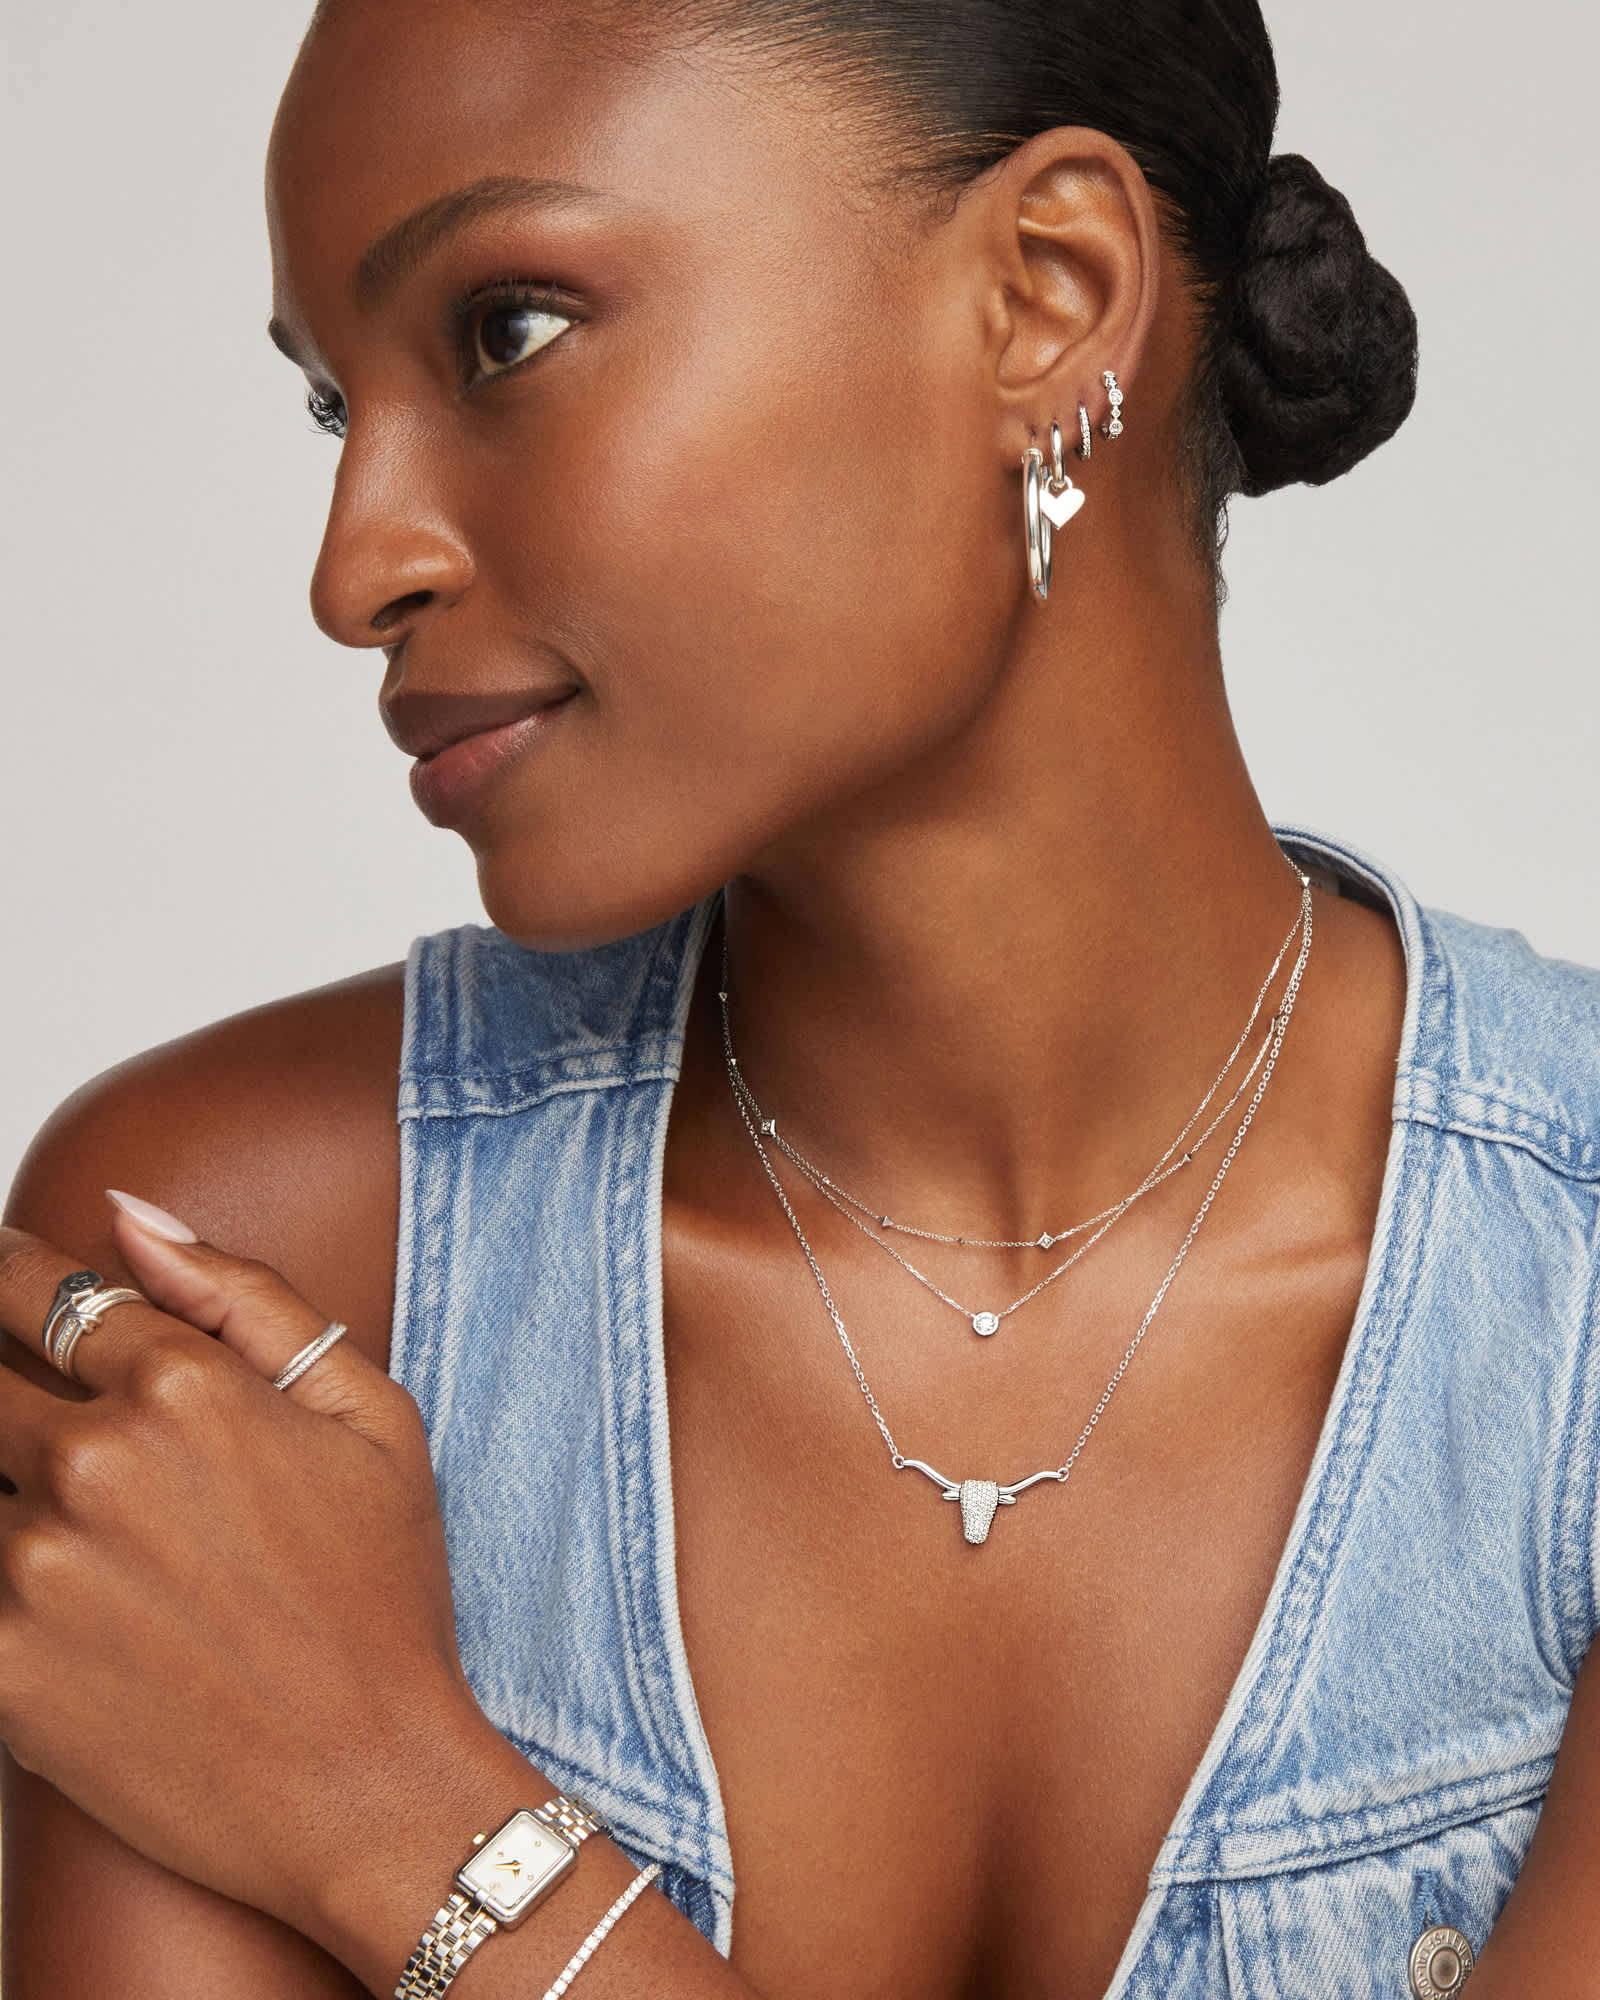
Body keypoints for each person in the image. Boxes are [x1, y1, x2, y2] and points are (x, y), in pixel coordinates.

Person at [1, 0, 1596, 1994]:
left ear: (1043, 295)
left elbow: (395, 1829)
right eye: (339, 410)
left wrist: (396, 1812)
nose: (356, 569)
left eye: (504, 331)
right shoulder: (262, 1258)